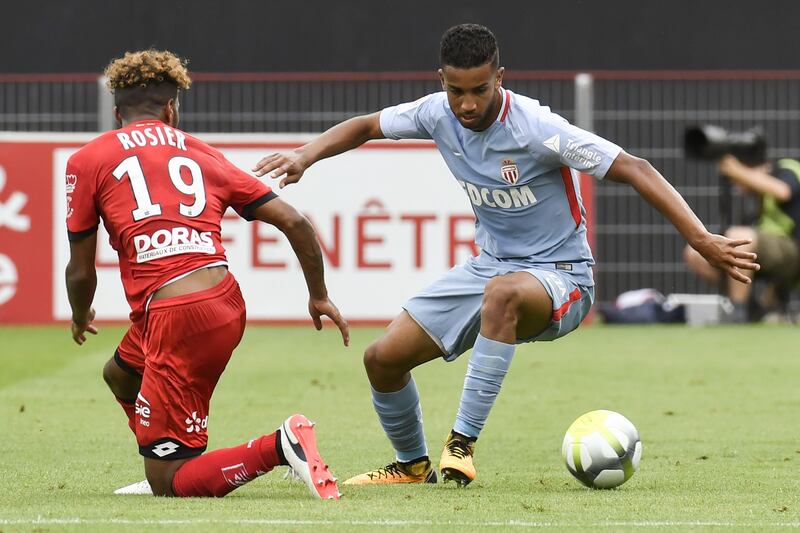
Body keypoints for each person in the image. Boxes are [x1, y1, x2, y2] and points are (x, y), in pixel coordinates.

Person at [253, 24, 758, 487]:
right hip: (489, 268)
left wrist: (701, 238)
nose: (467, 104)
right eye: (456, 91)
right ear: (442, 82)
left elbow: (636, 168)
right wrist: (304, 155)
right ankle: (412, 465)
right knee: (382, 359)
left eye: (480, 89)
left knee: (502, 294)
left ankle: (462, 445)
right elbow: (365, 126)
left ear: (500, 77)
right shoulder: (436, 112)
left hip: (562, 280)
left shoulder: (537, 128)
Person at [65, 49, 349, 499]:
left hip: (177, 316)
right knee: (119, 375)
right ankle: (165, 450)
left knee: (170, 485)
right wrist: (318, 295)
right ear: (172, 108)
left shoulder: (88, 159)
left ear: (117, 111)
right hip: (220, 300)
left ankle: (279, 445)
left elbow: (81, 270)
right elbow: (295, 221)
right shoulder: (203, 154)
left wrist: (80, 315)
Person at [684, 154, 800, 320]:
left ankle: (737, 314)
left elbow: (783, 191)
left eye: (738, 179)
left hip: (794, 250)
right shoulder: (757, 207)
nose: (737, 183)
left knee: (739, 237)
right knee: (695, 254)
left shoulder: (786, 168)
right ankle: (752, 309)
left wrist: (737, 170)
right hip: (770, 255)